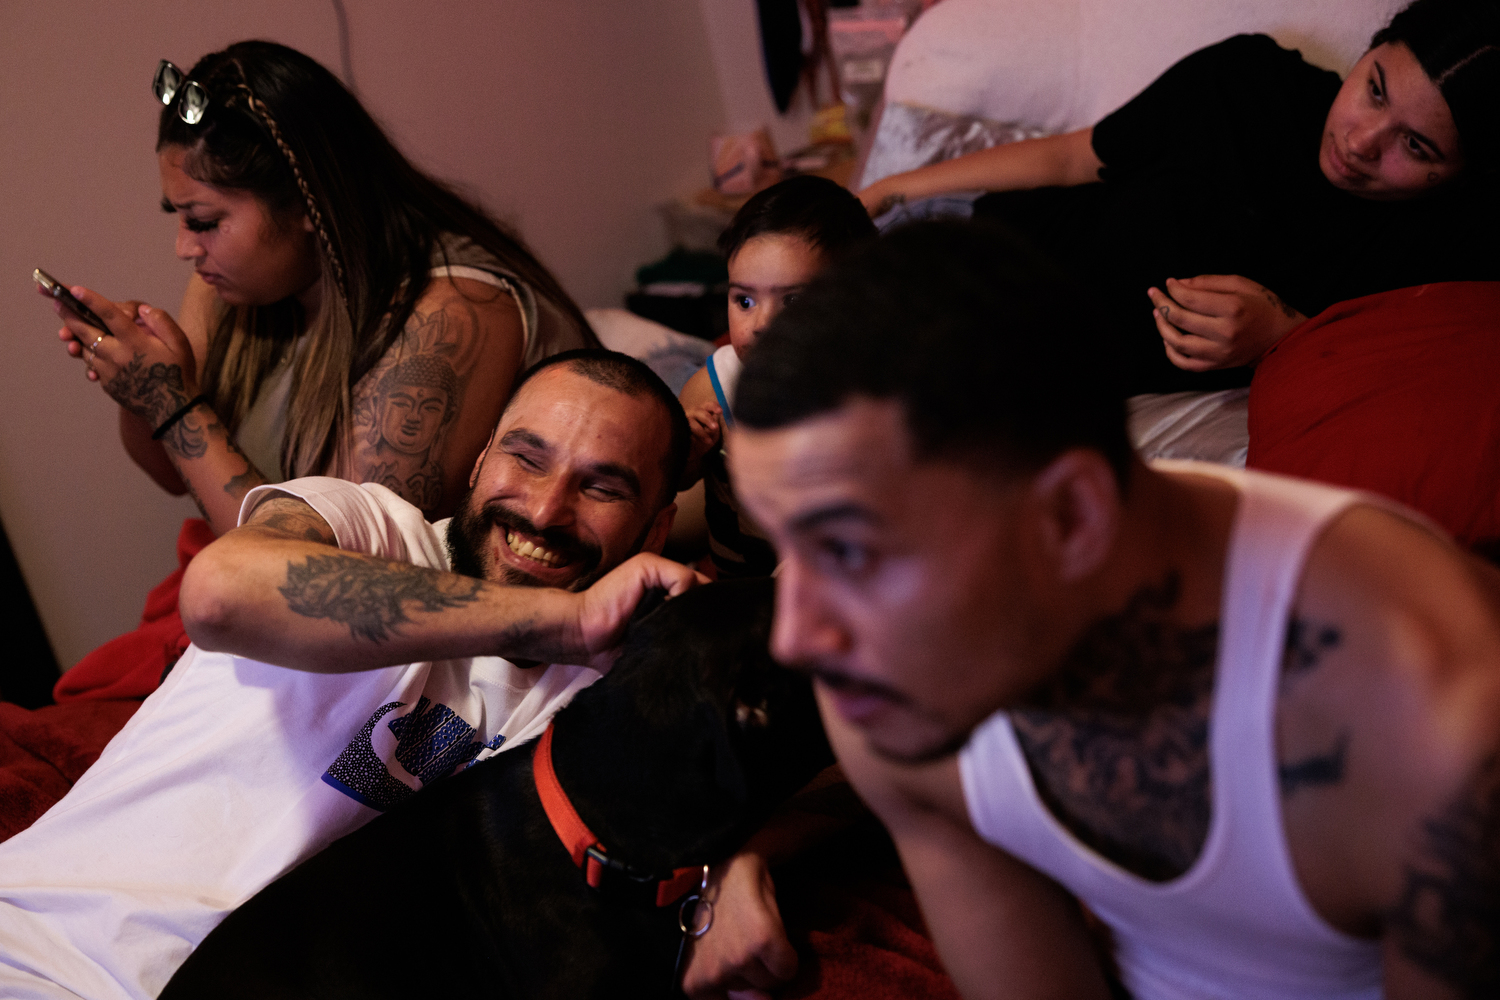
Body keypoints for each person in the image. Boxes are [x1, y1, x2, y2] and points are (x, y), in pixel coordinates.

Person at [728, 220, 1500, 998]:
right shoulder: (883, 684)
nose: (796, 638)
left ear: (1070, 519)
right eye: (788, 548)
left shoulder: (1435, 721)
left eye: (850, 552)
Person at [0, 350, 699, 999]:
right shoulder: (367, 524)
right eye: (526, 457)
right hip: (38, 953)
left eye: (602, 486)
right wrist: (561, 621)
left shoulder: (603, 698)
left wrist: (739, 870)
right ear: (483, 458)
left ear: (656, 528)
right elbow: (219, 593)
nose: (546, 511)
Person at [36, 40, 596, 706]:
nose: (186, 247)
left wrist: (175, 407)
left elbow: (337, 580)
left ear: (308, 203)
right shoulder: (230, 284)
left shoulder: (452, 313)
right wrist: (139, 385)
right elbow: (171, 470)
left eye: (204, 221)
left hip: (386, 643)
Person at [858, 0, 1500, 395]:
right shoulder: (1248, 82)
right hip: (977, 244)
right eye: (1376, 89)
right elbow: (1073, 157)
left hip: (1021, 357)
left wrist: (1285, 334)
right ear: (1369, 51)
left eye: (1416, 147)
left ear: (1461, 174)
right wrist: (891, 189)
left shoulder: (1440, 262)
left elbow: (1408, 376)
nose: (1363, 141)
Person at [677, 175, 876, 579]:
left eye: (794, 300)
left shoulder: (872, 391)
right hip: (738, 585)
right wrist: (687, 455)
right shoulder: (714, 387)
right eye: (744, 301)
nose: (762, 323)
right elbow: (676, 484)